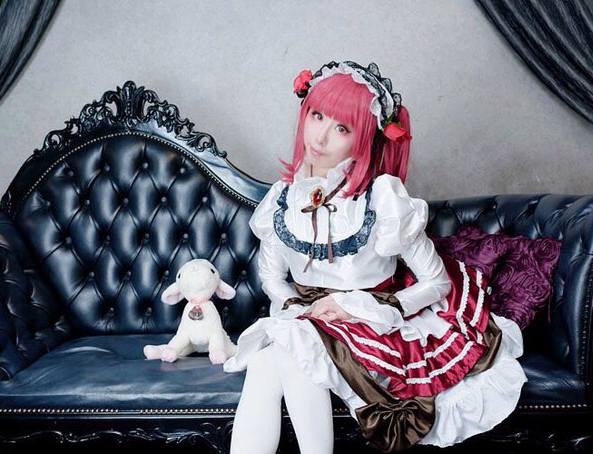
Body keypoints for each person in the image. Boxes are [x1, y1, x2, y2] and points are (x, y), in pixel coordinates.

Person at [223, 60, 527, 453]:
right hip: (308, 318)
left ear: (365, 138)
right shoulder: (283, 199)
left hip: (370, 322)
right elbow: (271, 278)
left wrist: (354, 307)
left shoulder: (381, 199)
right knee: (270, 359)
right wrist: (300, 308)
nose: (320, 136)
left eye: (342, 128)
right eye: (317, 116)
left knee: (284, 351)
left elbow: (437, 282)